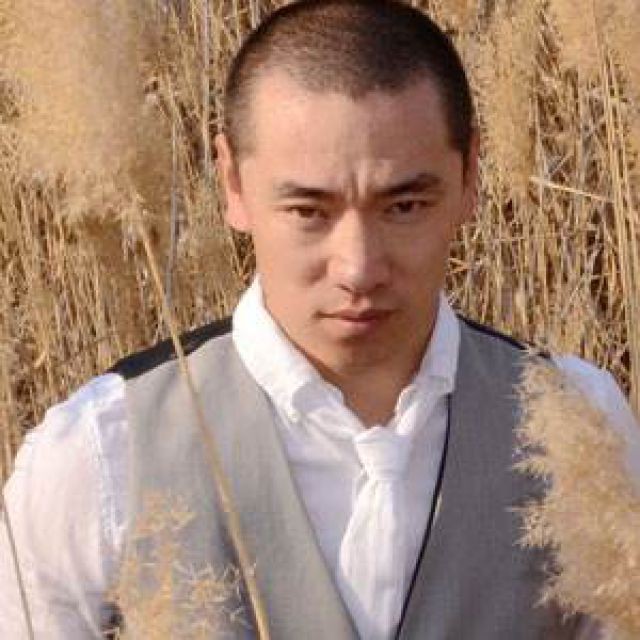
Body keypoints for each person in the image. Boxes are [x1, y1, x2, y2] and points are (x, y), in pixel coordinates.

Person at [1, 1, 639, 638]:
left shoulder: (579, 421)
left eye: (405, 206)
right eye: (309, 211)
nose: (358, 268)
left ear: (470, 174)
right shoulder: (99, 451)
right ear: (232, 183)